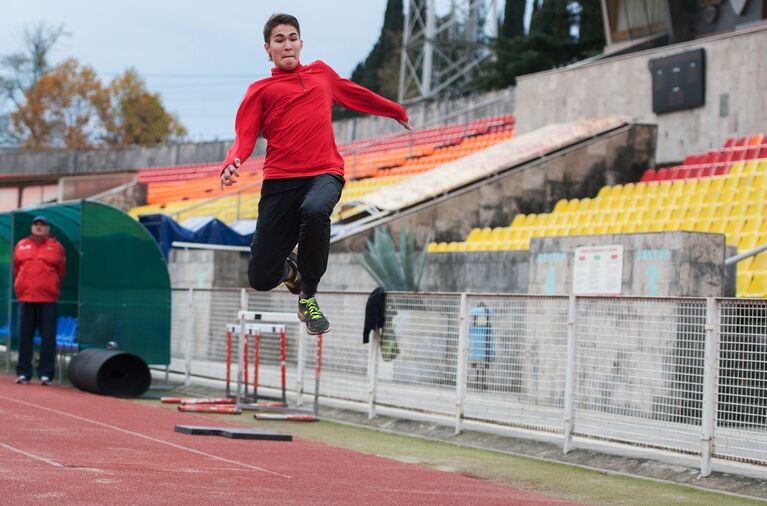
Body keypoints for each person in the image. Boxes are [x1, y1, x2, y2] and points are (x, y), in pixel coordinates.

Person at [220, 13, 411, 335]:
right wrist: (232, 160)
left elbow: (356, 93)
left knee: (315, 209)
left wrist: (396, 111)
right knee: (262, 278)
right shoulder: (261, 90)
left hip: (325, 171)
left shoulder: (321, 74)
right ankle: (291, 272)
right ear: (268, 49)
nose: (287, 45)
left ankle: (308, 295)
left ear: (301, 43)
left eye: (292, 37)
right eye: (279, 40)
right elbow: (245, 134)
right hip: (280, 182)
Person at [13, 215, 66, 385]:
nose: (39, 227)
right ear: (31, 227)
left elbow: (61, 271)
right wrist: (22, 286)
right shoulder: (21, 245)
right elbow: (16, 269)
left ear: (48, 229)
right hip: (26, 297)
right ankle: (23, 373)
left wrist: (51, 285)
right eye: (36, 224)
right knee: (24, 337)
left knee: (48, 337)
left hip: (48, 299)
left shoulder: (57, 247)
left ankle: (45, 375)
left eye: (43, 225)